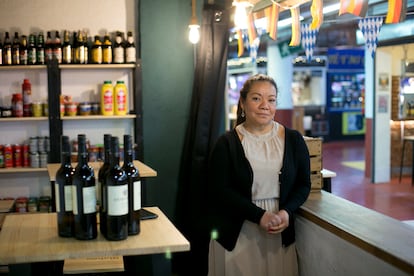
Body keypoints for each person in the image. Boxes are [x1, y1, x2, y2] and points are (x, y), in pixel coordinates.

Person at [207, 74, 311, 275]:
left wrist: (286, 212)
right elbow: (219, 191)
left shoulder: (294, 139)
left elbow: (303, 184)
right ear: (243, 103)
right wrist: (259, 216)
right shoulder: (227, 143)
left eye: (271, 100)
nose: (265, 105)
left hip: (278, 229)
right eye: (256, 98)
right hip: (238, 232)